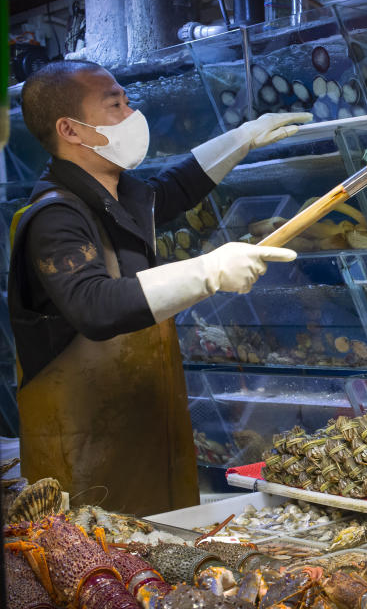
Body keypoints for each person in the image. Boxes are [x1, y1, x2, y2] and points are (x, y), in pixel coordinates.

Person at [7, 60, 311, 516]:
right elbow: (96, 306)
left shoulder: (118, 194)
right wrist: (208, 271)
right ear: (71, 129)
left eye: (127, 101)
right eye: (115, 105)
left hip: (147, 436)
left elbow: (174, 189)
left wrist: (243, 137)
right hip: (83, 461)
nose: (132, 114)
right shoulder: (54, 218)